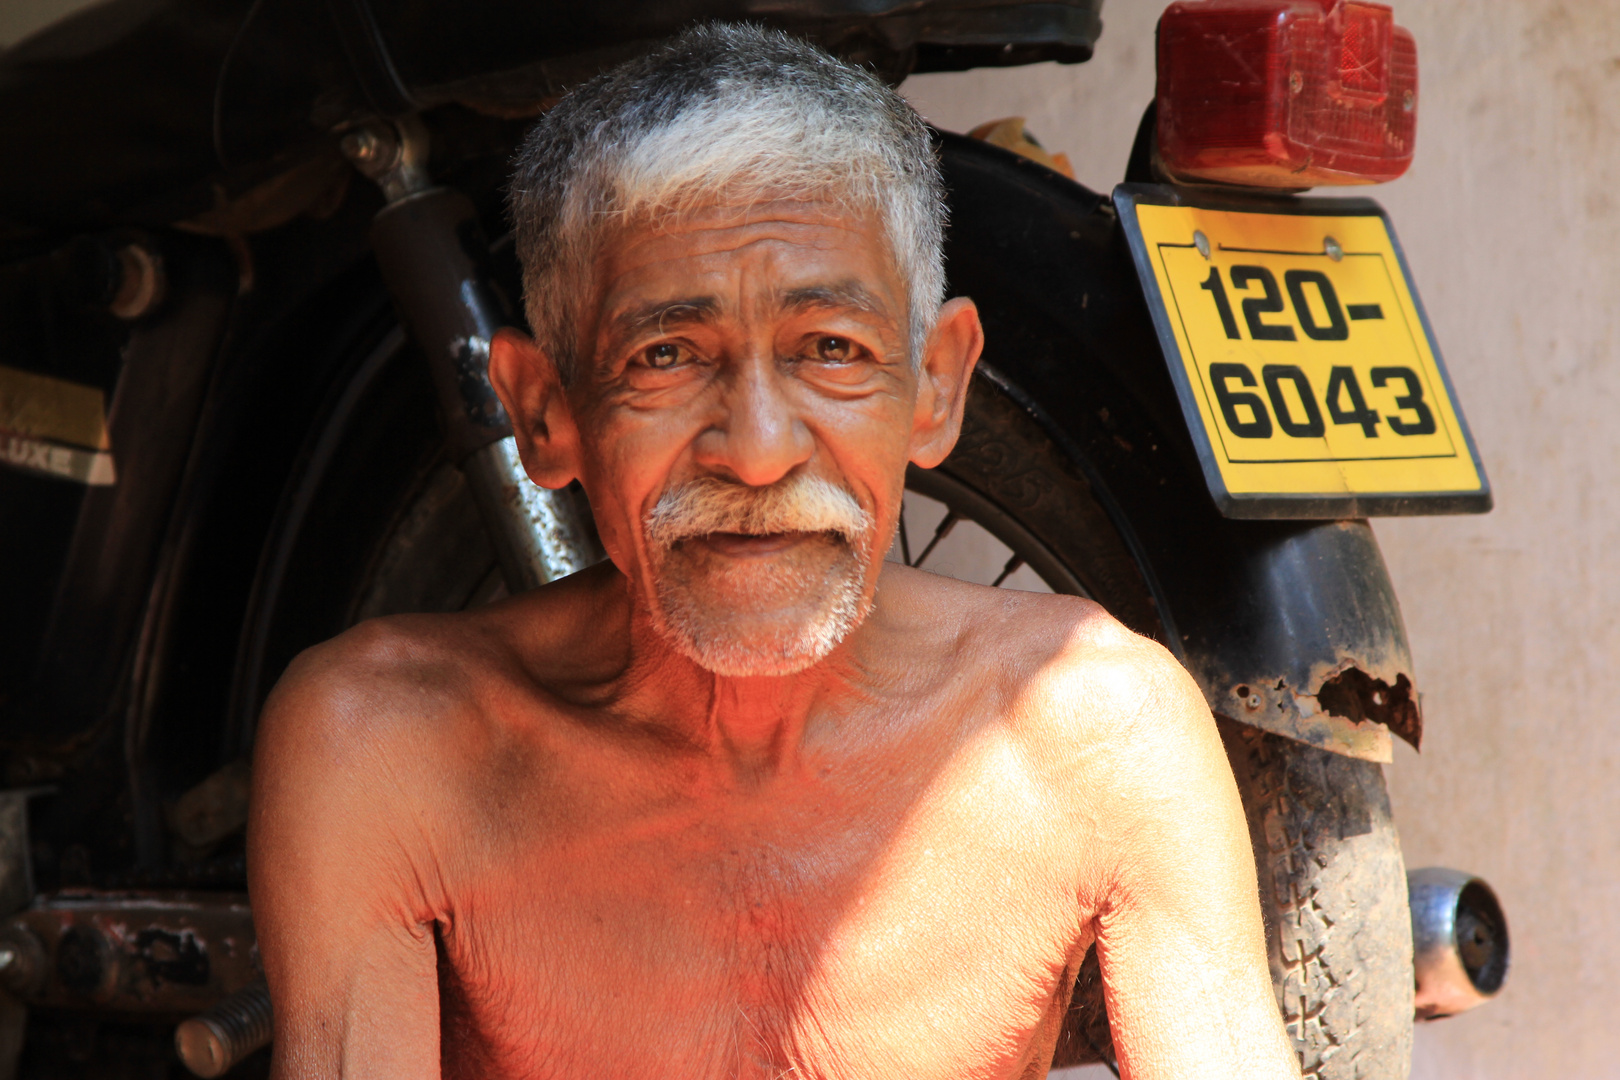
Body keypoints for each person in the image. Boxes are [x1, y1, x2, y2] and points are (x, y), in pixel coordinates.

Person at [248, 23, 1301, 1080]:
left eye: (831, 351)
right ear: (543, 410)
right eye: (666, 357)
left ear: (936, 387)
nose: (756, 453)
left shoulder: (1100, 739)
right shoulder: (386, 751)